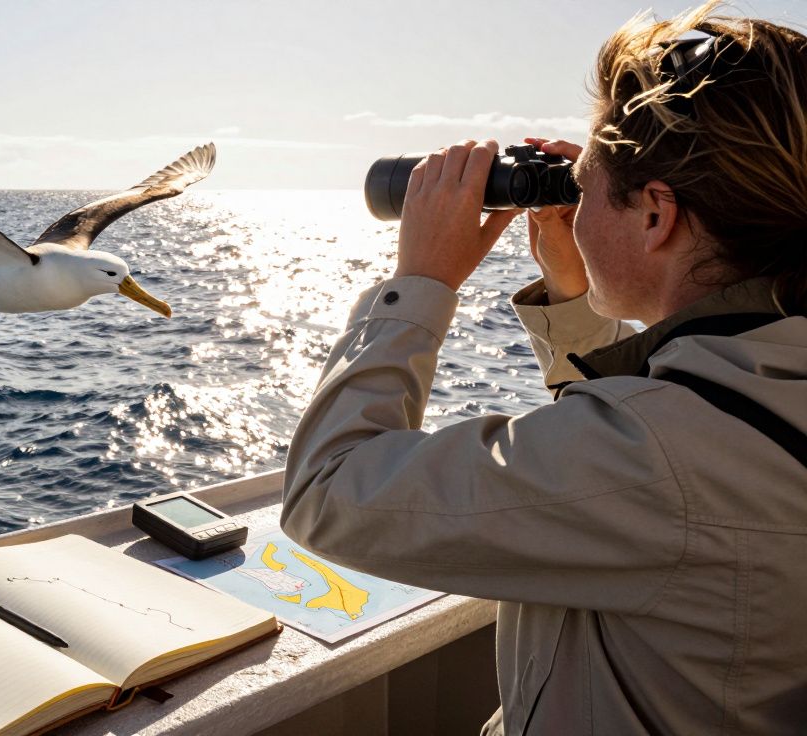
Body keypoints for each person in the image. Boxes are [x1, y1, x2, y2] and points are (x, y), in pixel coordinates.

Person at [280, 2, 807, 734]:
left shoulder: (659, 459)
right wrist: (573, 287)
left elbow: (327, 493)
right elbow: (655, 445)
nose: (574, 203)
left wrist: (421, 281)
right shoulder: (758, 388)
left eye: (583, 186)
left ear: (656, 215)